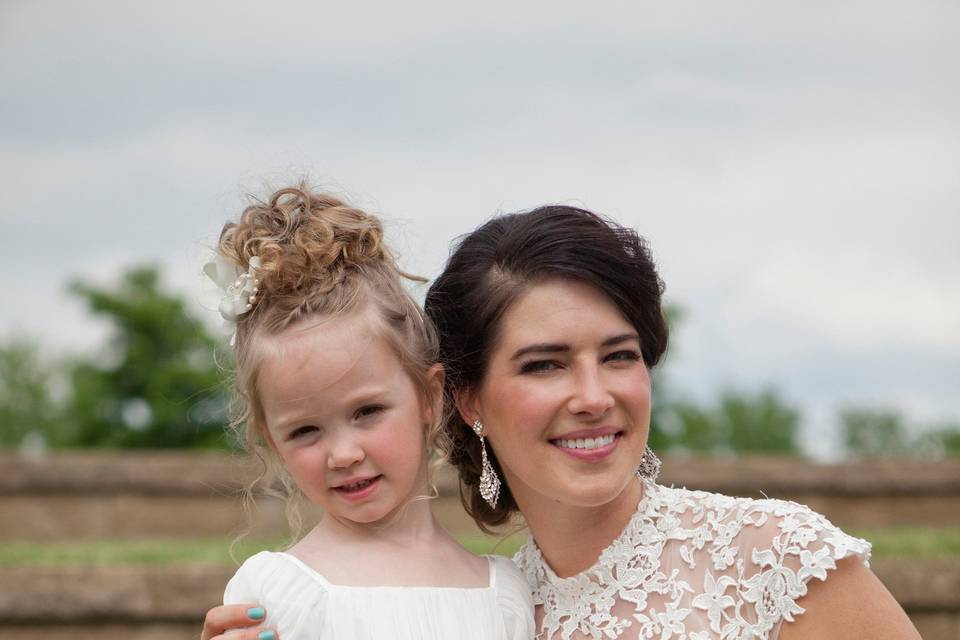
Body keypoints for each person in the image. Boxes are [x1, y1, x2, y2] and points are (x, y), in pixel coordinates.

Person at [205, 203, 920, 640]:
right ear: (465, 398)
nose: (592, 395)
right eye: (545, 364)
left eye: (618, 356)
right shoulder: (502, 602)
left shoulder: (774, 559)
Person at [199, 184, 534, 640]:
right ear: (270, 438)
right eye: (304, 431)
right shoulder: (276, 593)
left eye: (367, 411)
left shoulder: (504, 593)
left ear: (430, 396)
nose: (342, 454)